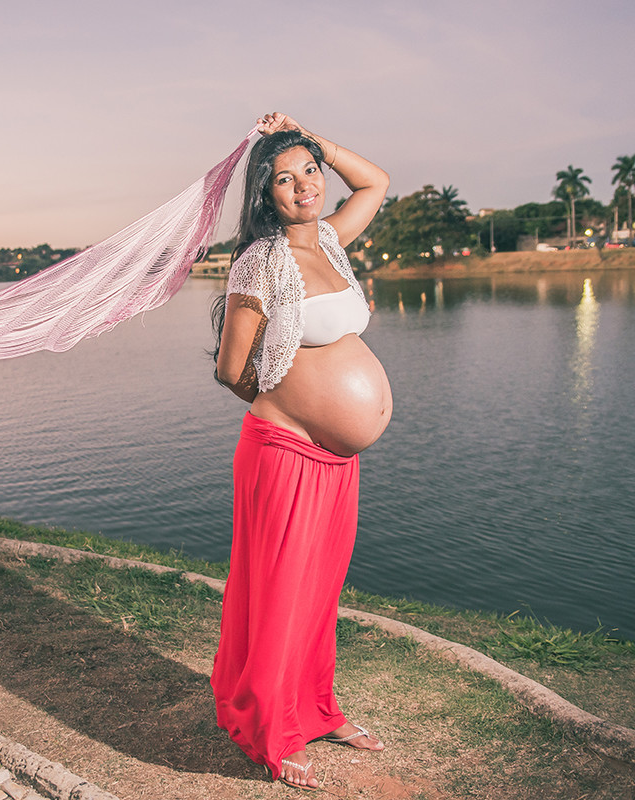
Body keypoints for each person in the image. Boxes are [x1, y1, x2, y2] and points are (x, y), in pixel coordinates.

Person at [210, 112, 392, 791]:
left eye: (309, 172)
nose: (304, 186)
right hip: (285, 451)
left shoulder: (331, 240)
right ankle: (270, 732)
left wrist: (312, 137)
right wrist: (294, 409)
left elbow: (376, 183)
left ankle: (316, 710)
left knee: (318, 594)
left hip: (336, 459)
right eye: (284, 179)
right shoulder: (261, 261)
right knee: (281, 596)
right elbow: (232, 369)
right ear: (265, 194)